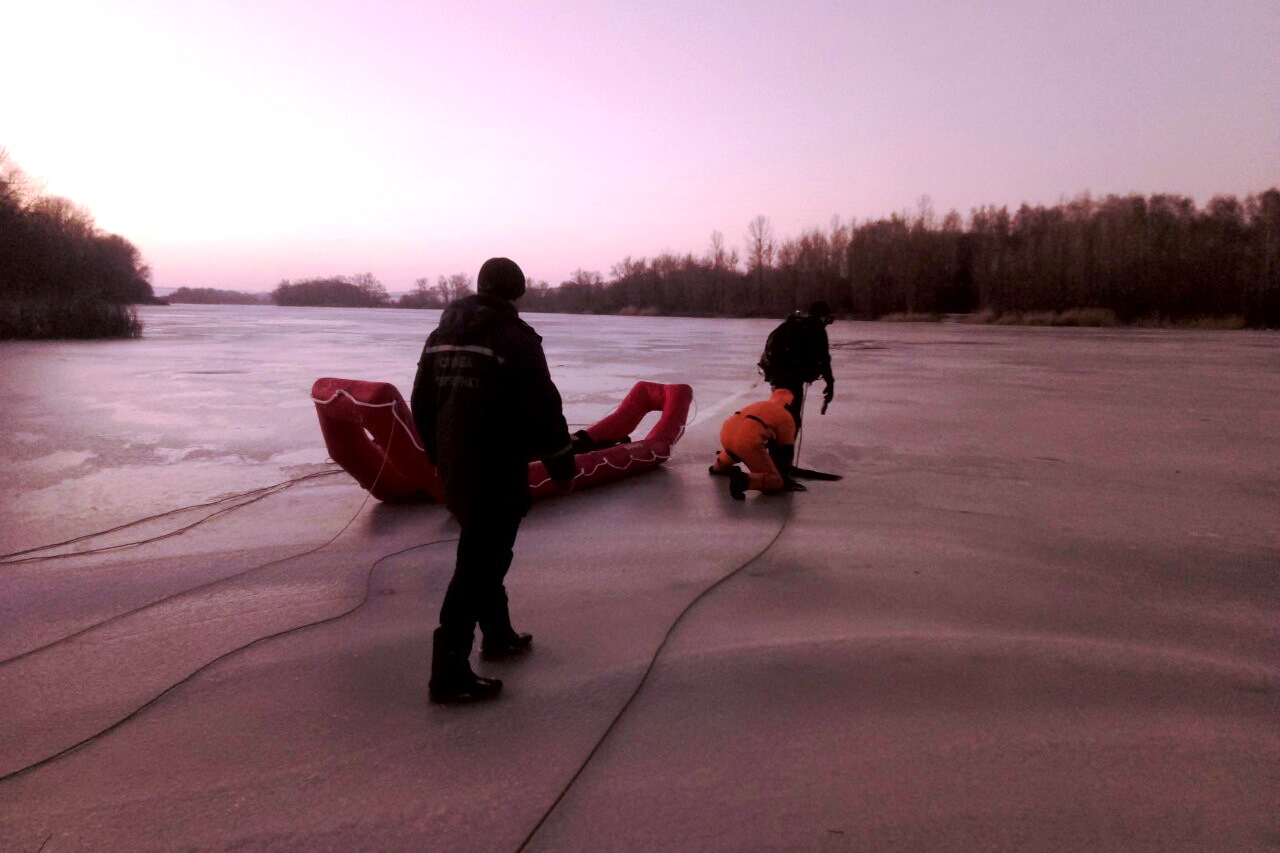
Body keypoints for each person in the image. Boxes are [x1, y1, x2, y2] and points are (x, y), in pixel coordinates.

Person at [411, 257, 576, 704]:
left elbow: (422, 401)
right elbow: (543, 407)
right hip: (496, 467)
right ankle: (448, 672)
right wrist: (562, 465)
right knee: (480, 563)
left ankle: (498, 633)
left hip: (457, 466)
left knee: (485, 553)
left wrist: (437, 455)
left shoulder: (440, 336)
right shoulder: (513, 339)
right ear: (516, 292)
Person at [708, 388, 802, 500]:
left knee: (734, 451)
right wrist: (784, 476)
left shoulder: (759, 404)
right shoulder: (786, 416)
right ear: (789, 404)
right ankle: (743, 481)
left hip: (726, 433)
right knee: (776, 481)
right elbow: (786, 451)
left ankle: (717, 467)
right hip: (747, 441)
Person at [757, 300, 835, 432]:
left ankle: (773, 444)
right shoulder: (817, 329)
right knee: (791, 421)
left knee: (779, 413)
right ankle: (783, 449)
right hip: (793, 381)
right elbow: (824, 360)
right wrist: (830, 384)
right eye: (827, 319)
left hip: (776, 379)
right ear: (822, 316)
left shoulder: (791, 325)